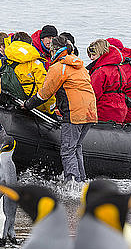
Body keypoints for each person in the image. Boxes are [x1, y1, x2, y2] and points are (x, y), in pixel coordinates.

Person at [24, 36, 97, 183]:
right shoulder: (80, 66)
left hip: (74, 114)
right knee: (76, 147)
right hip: (90, 112)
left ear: (55, 51)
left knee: (67, 150)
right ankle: (81, 180)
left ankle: (72, 183)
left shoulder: (58, 67)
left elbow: (45, 93)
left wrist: (27, 104)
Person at [0, 32, 52, 113]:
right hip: (33, 108)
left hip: (6, 107)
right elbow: (45, 90)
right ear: (29, 44)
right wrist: (50, 109)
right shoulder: (35, 64)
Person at [86, 39, 128, 123]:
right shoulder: (120, 69)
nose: (91, 58)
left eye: (93, 55)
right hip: (121, 110)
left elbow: (93, 94)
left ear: (101, 54)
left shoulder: (100, 71)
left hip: (104, 110)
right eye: (90, 55)